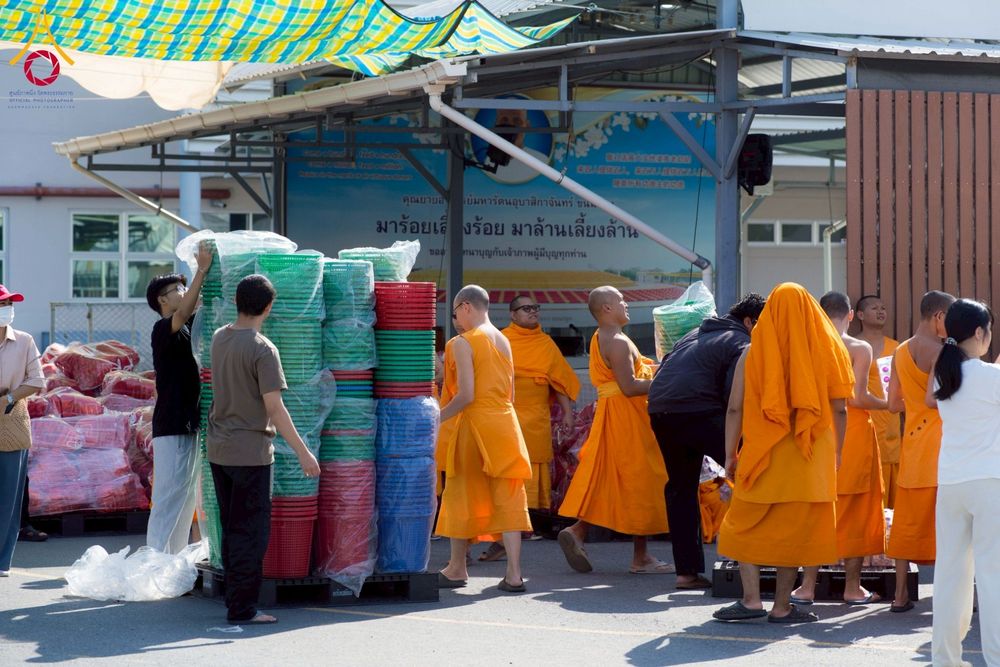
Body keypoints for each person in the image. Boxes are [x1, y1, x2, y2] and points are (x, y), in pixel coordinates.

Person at [713, 283, 853, 624]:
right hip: (810, 455)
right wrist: (838, 452)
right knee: (793, 532)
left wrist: (731, 453)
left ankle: (749, 601)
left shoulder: (752, 351)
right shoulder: (828, 349)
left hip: (763, 452)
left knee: (742, 524)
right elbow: (841, 409)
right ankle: (781, 607)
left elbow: (735, 409)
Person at [207, 274, 320, 624]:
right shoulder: (263, 349)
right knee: (250, 532)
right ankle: (242, 608)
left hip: (219, 449)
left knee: (231, 526)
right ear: (268, 307)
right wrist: (303, 451)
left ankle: (233, 598)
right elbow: (275, 407)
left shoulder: (219, 338)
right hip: (250, 452)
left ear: (237, 301)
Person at [648, 292, 765, 590]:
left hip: (661, 409)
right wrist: (737, 448)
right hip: (701, 410)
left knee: (680, 488)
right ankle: (759, 555)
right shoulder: (741, 342)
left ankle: (686, 573)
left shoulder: (694, 333)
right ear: (751, 321)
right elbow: (734, 398)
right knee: (755, 472)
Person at [557, 286, 672, 575]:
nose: (627, 304)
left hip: (614, 414)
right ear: (607, 308)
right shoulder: (618, 342)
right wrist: (669, 382)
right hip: (626, 417)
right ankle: (640, 557)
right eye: (621, 300)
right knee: (639, 478)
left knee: (611, 477)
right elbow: (630, 386)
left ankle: (579, 531)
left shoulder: (601, 338)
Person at [790, 292, 887, 605]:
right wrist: (888, 404)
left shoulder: (806, 346)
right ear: (849, 315)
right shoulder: (858, 347)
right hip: (853, 435)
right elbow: (856, 398)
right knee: (856, 513)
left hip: (816, 434)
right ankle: (851, 587)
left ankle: (806, 587)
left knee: (818, 511)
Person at [435, 285, 533, 593]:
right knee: (510, 495)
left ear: (465, 307)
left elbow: (466, 395)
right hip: (505, 424)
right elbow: (511, 394)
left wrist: (435, 419)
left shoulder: (463, 342)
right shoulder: (504, 340)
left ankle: (456, 568)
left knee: (460, 491)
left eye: (455, 314)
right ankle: (515, 575)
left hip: (475, 426)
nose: (456, 321)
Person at [475, 295, 579, 558]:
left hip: (536, 419)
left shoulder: (545, 343)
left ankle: (516, 530)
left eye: (536, 308)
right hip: (505, 416)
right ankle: (502, 533)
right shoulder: (501, 339)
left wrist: (567, 413)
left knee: (529, 475)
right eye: (526, 308)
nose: (533, 312)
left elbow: (558, 380)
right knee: (505, 473)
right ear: (512, 314)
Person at [928, 299, 1000, 667]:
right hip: (990, 482)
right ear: (979, 332)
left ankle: (945, 659)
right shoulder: (990, 377)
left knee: (951, 574)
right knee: (993, 577)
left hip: (952, 482)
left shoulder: (944, 375)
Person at [886, 290, 955, 613]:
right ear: (938, 316)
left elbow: (892, 404)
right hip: (940, 444)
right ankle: (948, 597)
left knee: (907, 523)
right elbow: (935, 398)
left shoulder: (899, 350)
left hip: (911, 445)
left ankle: (900, 595)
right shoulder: (942, 351)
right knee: (948, 524)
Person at [144, 243, 213, 554]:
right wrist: (201, 269)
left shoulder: (187, 329)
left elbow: (192, 309)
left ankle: (170, 564)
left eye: (185, 287)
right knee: (169, 497)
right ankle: (156, 562)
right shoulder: (163, 329)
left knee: (185, 500)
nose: (183, 292)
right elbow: (185, 310)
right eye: (177, 288)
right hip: (171, 424)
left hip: (188, 422)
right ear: (162, 300)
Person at [0, 285, 46, 577]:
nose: (7, 308)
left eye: (8, 303)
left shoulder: (25, 341)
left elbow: (37, 381)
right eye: (2, 303)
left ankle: (2, 560)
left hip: (11, 416)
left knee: (9, 495)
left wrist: (8, 397)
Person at [855, 295, 902, 509]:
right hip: (861, 424)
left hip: (890, 425)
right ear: (860, 315)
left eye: (883, 308)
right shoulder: (852, 347)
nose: (881, 311)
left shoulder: (897, 348)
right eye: (874, 308)